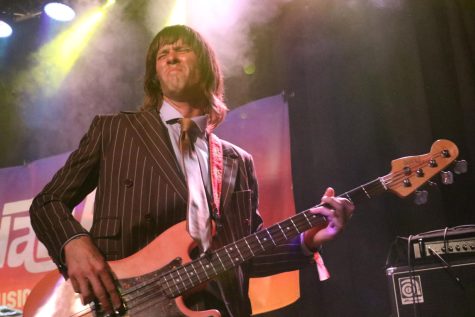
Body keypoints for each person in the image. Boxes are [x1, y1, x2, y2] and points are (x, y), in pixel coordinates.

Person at [29, 25, 354, 317]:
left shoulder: (237, 161)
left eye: (181, 49)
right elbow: (48, 202)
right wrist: (73, 243)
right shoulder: (116, 130)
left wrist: (311, 239)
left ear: (206, 67)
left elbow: (245, 256)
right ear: (154, 76)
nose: (171, 56)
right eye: (162, 54)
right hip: (122, 306)